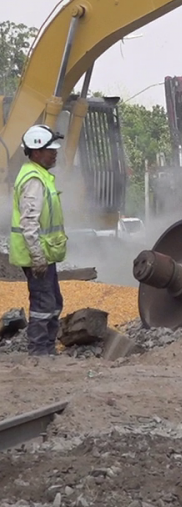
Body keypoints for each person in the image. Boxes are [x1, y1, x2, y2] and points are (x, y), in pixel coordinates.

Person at [9, 125, 68, 356]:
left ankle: (47, 349)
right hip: (37, 256)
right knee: (44, 304)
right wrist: (37, 257)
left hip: (44, 254)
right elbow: (29, 222)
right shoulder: (33, 179)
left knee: (53, 302)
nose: (55, 153)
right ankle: (39, 353)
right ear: (35, 152)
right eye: (50, 149)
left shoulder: (41, 175)